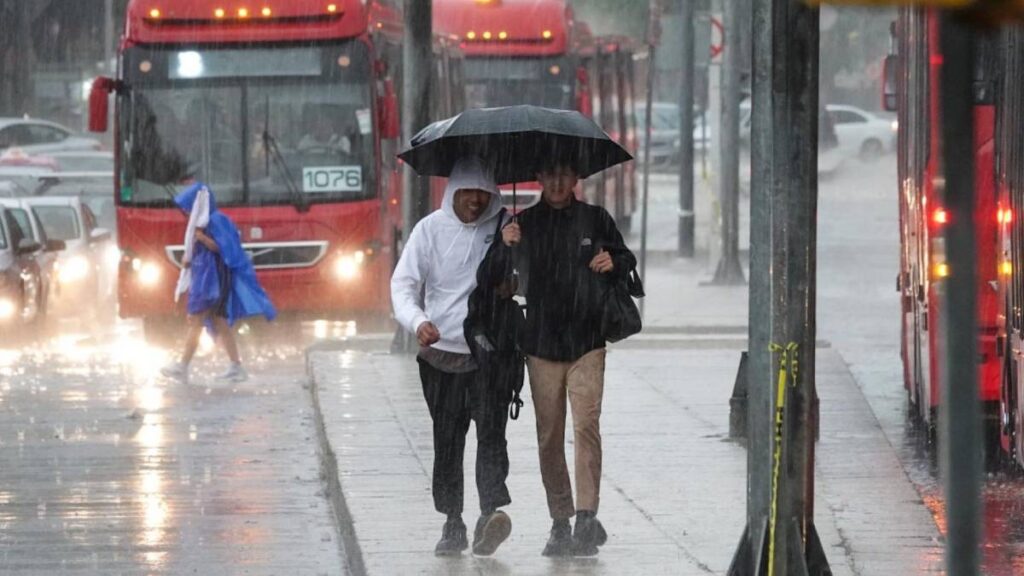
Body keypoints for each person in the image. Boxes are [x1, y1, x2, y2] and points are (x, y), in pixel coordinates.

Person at [494, 162, 636, 557]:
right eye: (549, 174)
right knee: (549, 436)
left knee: (587, 425)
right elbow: (502, 279)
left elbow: (627, 260)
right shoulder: (523, 225)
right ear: (538, 179)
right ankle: (560, 520)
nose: (557, 182)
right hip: (540, 345)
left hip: (587, 342)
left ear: (576, 180)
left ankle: (586, 517)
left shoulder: (596, 219)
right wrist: (506, 245)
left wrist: (615, 262)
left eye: (565, 174)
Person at [391, 156, 514, 557]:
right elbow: (404, 285)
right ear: (453, 193)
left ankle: (489, 513)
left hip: (489, 356)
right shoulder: (429, 231)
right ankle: (452, 521)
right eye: (468, 193)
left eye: (483, 193)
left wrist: (513, 273)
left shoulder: (505, 229)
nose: (476, 201)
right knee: (448, 441)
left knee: (492, 436)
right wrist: (418, 321)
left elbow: (526, 280)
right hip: (441, 358)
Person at [161, 183, 277, 383]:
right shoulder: (203, 223)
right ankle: (234, 366)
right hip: (207, 279)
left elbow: (224, 249)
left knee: (198, 320)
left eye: (190, 208)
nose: (187, 213)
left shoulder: (216, 221)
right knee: (218, 321)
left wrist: (201, 238)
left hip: (214, 280)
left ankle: (183, 365)